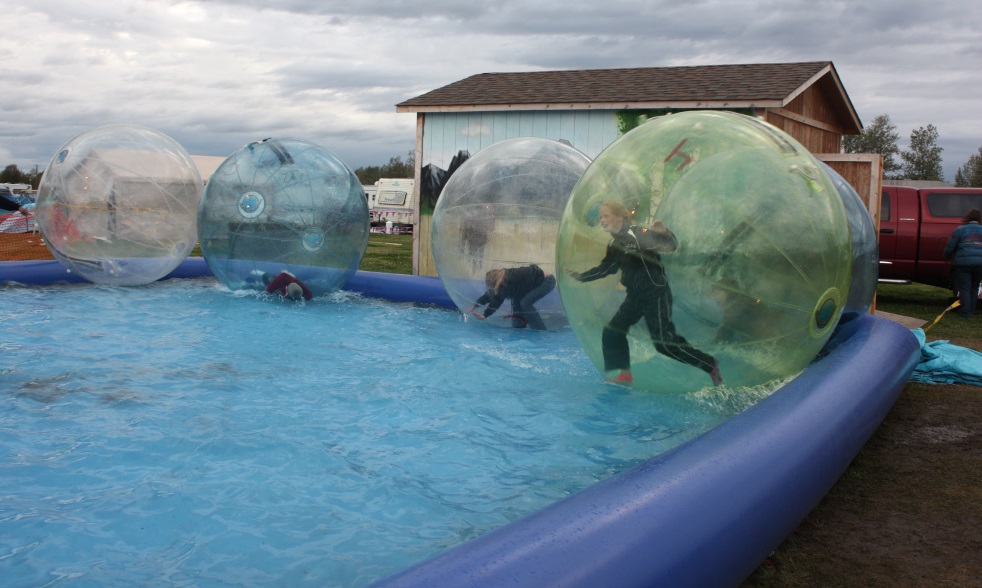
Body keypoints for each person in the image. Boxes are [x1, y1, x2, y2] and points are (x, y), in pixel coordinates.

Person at [568, 201, 722, 387]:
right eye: (600, 217)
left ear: (620, 217)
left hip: (655, 294)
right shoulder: (615, 244)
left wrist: (664, 232)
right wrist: (582, 277)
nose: (602, 220)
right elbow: (606, 268)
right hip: (635, 295)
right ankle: (625, 374)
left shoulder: (639, 233)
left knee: (663, 345)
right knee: (612, 331)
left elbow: (670, 246)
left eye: (605, 215)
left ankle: (710, 364)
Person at [467, 264, 556, 330]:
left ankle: (540, 329)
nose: (491, 287)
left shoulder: (506, 281)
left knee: (525, 303)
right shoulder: (503, 279)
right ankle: (518, 328)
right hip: (539, 281)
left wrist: (485, 315)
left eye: (491, 285)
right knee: (516, 299)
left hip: (547, 281)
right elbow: (490, 295)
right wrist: (475, 305)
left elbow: (497, 301)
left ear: (494, 282)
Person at [943, 208, 982, 319]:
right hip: (980, 264)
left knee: (965, 288)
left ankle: (965, 313)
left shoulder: (960, 230)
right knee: (974, 287)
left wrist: (946, 256)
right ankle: (971, 310)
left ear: (967, 218)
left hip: (963, 263)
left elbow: (951, 247)